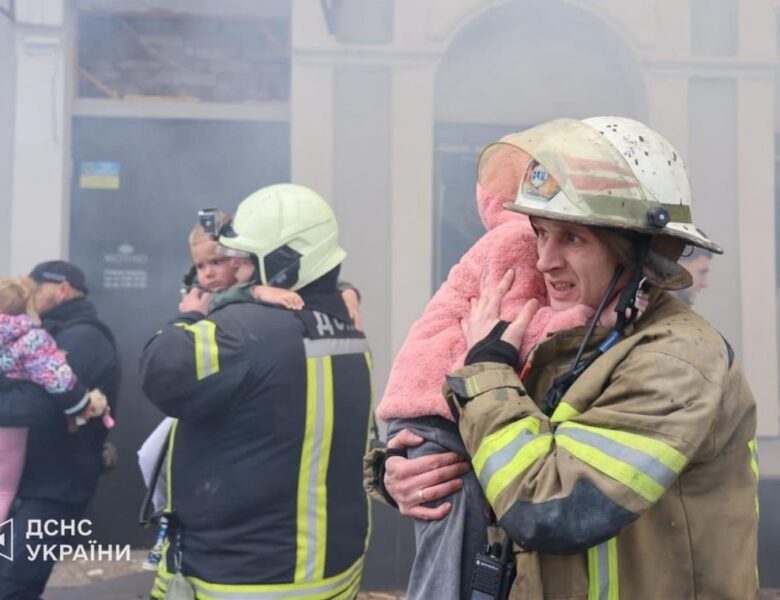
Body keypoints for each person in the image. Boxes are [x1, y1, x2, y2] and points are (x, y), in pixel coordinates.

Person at [368, 117, 759, 599]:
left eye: (572, 238)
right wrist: (406, 473)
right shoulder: (563, 344)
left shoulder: (676, 360)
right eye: (539, 233)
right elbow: (499, 451)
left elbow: (548, 508)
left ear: (637, 248)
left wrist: (485, 370)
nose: (543, 260)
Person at [140, 183, 373, 599]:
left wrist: (188, 319)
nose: (234, 272)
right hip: (330, 569)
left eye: (244, 263)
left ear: (282, 265)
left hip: (241, 577)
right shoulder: (348, 329)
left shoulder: (247, 332)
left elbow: (161, 368)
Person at [0, 261, 120, 599]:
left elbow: (38, 407)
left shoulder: (84, 338)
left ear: (62, 288)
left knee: (12, 585)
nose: (30, 298)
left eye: (37, 288)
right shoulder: (45, 333)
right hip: (33, 486)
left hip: (56, 491)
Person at [0, 277, 110, 522]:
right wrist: (81, 404)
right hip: (11, 434)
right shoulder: (32, 339)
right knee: (4, 488)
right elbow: (56, 377)